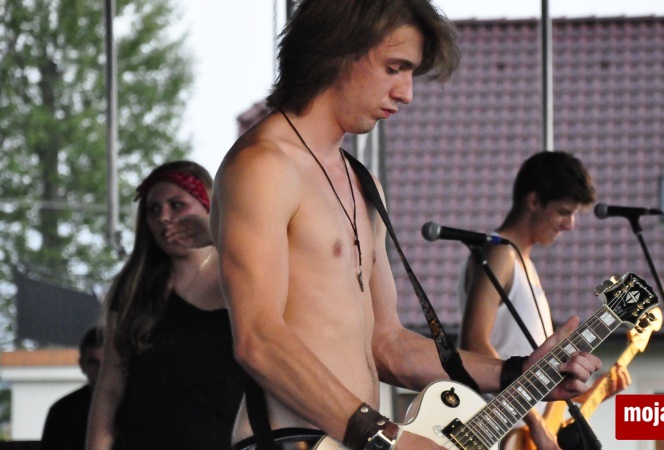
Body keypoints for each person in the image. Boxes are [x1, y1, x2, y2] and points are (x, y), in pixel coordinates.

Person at [212, 2, 603, 450]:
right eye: (394, 68)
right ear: (336, 51)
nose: (407, 93)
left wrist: (516, 372)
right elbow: (259, 339)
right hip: (288, 440)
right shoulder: (264, 166)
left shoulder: (363, 183)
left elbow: (388, 345)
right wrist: (387, 438)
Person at [457, 151, 631, 450]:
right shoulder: (500, 254)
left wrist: (591, 393)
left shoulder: (525, 263)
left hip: (519, 430)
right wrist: (534, 422)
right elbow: (473, 343)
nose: (570, 224)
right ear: (534, 202)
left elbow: (532, 373)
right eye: (564, 211)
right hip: (494, 432)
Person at [86, 160, 246, 450]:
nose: (164, 217)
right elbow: (109, 388)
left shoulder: (240, 275)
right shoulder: (135, 287)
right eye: (153, 209)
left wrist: (216, 232)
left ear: (208, 206)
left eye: (177, 205)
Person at [39, 326, 102, 450]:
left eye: (106, 363)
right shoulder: (62, 413)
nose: (101, 370)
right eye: (94, 363)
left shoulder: (135, 409)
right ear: (82, 365)